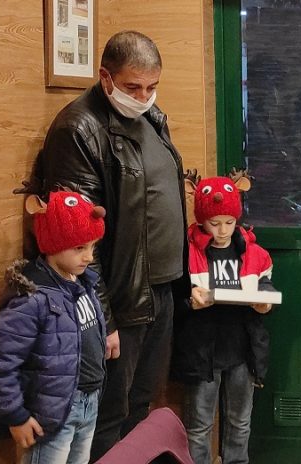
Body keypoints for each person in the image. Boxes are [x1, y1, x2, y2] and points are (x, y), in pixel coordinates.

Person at [28, 30, 190, 459]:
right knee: (108, 416)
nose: (144, 97)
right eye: (133, 87)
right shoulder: (78, 128)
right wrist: (103, 317)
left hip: (160, 290)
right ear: (105, 77)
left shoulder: (151, 118)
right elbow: (78, 237)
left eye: (152, 87)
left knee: (141, 406)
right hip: (120, 297)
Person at [0, 191, 108, 464]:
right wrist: (16, 416)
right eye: (79, 248)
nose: (88, 257)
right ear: (53, 244)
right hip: (52, 416)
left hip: (88, 403)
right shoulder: (33, 298)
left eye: (92, 247)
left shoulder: (83, 282)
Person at [173, 173, 275, 464]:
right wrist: (190, 301)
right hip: (202, 351)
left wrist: (264, 304)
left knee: (240, 423)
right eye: (214, 223)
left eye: (229, 222)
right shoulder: (186, 253)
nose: (222, 230)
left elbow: (266, 287)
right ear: (202, 220)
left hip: (242, 350)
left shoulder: (254, 253)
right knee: (199, 426)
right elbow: (173, 300)